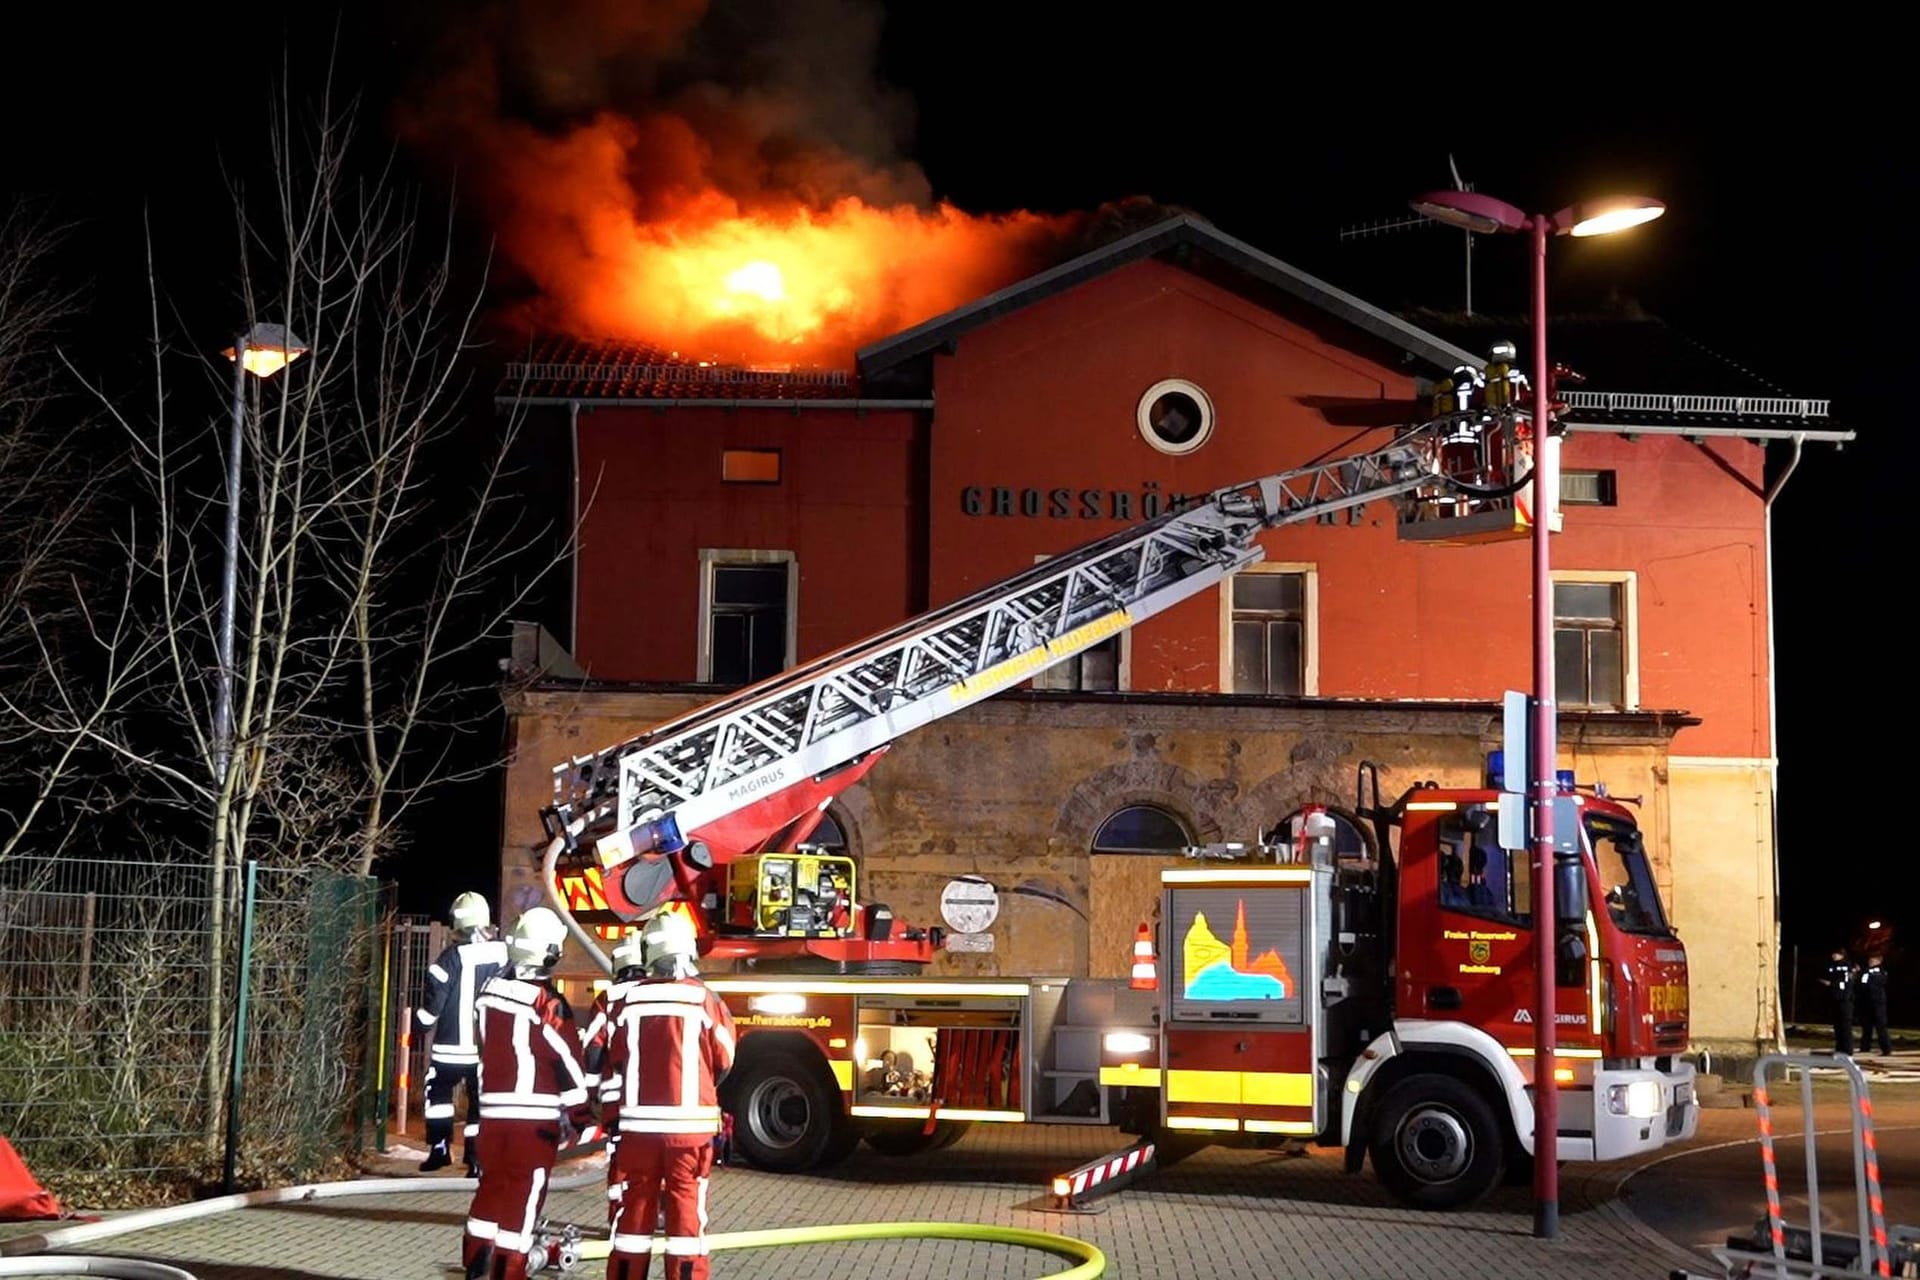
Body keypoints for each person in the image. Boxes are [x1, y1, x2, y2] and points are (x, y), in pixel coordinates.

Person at [602, 909, 737, 1280]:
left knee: (634, 1216)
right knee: (686, 1217)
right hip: (690, 1135)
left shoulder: (626, 1002)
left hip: (638, 1133)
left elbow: (614, 1057)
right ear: (687, 951)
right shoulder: (705, 1000)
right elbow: (725, 1058)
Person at [462, 908, 592, 1280]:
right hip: (532, 1125)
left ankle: (476, 1265)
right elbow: (568, 1061)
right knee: (521, 1204)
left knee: (490, 1191)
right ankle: (508, 1272)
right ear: (550, 953)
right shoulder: (546, 1004)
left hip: (491, 1119)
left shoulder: (487, 994)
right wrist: (582, 1116)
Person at [419, 891, 510, 1175]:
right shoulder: (505, 956)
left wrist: (421, 1025)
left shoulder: (449, 959)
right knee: (479, 1103)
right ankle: (476, 1159)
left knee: (439, 1097)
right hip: (488, 1047)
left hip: (449, 1047)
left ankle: (440, 1149)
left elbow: (434, 1003)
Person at [583, 929, 649, 1237]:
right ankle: (651, 1217)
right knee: (653, 1163)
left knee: (621, 1162)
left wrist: (589, 1091)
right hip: (655, 1099)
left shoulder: (608, 999)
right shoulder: (658, 992)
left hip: (618, 1102)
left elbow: (593, 1048)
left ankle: (620, 1220)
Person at [1819, 951, 1856, 1055]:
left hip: (1845, 999)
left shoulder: (1846, 966)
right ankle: (1839, 1048)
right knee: (1837, 1026)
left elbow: (1846, 982)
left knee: (1845, 1025)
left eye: (1837, 954)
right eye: (1833, 953)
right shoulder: (1831, 966)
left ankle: (1848, 1050)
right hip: (1835, 999)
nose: (1833, 955)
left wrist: (1832, 984)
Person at [1857, 954, 1893, 1057]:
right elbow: (1861, 984)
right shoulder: (1865, 971)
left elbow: (1878, 983)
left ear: (1879, 961)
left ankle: (1886, 1049)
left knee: (1880, 1026)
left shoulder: (1880, 971)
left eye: (1873, 960)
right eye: (1870, 959)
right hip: (1866, 1002)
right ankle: (1865, 1047)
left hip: (1877, 1002)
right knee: (1866, 1026)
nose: (1870, 961)